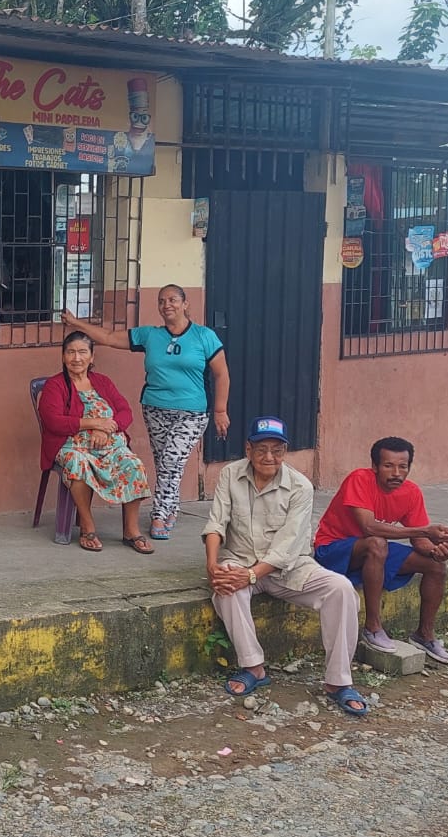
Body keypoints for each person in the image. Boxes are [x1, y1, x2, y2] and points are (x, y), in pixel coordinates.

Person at [202, 415, 368, 717]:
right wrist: (213, 566)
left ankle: (338, 682)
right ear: (248, 449)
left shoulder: (300, 486)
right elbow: (216, 522)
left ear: (285, 451)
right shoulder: (230, 474)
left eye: (277, 451)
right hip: (239, 559)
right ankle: (254, 667)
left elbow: (288, 546)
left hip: (288, 568)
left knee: (341, 589)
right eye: (261, 449)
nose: (269, 457)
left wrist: (251, 575)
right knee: (225, 588)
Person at [63, 283, 229, 541]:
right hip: (155, 409)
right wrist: (76, 323)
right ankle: (172, 507)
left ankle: (160, 514)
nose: (167, 305)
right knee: (166, 463)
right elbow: (109, 337)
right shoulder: (150, 335)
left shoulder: (204, 336)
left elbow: (221, 374)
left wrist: (220, 410)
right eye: (162, 301)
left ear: (185, 304)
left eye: (173, 300)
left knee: (171, 461)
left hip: (192, 412)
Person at [312, 437, 448, 664]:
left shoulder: (411, 492)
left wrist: (436, 550)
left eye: (403, 467)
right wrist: (424, 530)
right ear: (375, 466)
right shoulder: (359, 479)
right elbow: (368, 527)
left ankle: (425, 635)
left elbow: (420, 541)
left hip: (373, 554)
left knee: (435, 566)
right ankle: (373, 627)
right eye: (388, 466)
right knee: (377, 542)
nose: (396, 473)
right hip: (333, 550)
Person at [37, 332, 154, 553]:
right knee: (77, 464)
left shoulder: (102, 382)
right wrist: (94, 423)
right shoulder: (55, 385)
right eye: (71, 352)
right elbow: (53, 421)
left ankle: (131, 530)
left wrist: (107, 429)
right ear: (63, 356)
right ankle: (87, 525)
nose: (76, 358)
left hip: (110, 444)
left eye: (82, 352)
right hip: (71, 445)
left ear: (92, 357)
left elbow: (125, 411)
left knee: (134, 465)